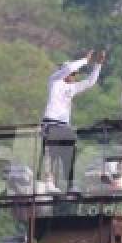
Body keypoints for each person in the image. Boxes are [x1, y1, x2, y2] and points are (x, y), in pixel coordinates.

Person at [40, 49, 105, 191]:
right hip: (51, 123)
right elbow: (69, 68)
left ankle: (70, 184)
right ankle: (49, 182)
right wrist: (85, 61)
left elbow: (90, 82)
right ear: (65, 72)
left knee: (69, 152)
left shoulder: (72, 88)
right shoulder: (54, 81)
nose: (74, 76)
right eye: (73, 74)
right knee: (51, 151)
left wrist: (98, 65)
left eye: (75, 74)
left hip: (64, 126)